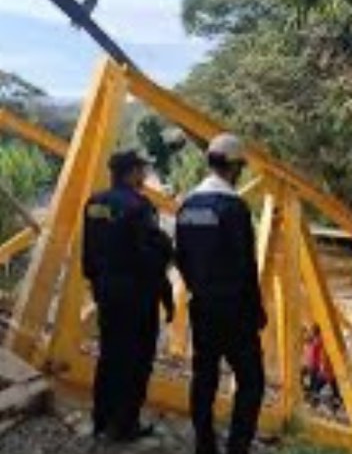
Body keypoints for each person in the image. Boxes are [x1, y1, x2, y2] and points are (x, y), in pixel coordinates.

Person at [176, 133, 265, 454]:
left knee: (204, 377)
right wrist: (257, 311)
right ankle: (237, 447)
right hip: (235, 312)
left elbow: (181, 257)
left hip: (202, 307)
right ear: (234, 167)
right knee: (252, 382)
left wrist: (200, 288)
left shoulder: (186, 206)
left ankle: (205, 445)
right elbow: (246, 265)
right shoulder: (234, 209)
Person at [83, 150, 174, 442]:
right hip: (136, 297)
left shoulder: (95, 203)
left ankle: (101, 420)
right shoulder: (139, 206)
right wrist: (166, 291)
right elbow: (149, 258)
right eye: (142, 170)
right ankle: (125, 425)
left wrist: (97, 285)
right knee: (136, 361)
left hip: (108, 293)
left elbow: (89, 254)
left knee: (110, 356)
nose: (145, 176)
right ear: (132, 173)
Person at [302, 324, 342, 410]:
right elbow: (307, 341)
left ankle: (315, 402)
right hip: (319, 368)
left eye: (312, 331)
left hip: (320, 369)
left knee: (316, 387)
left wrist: (322, 367)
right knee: (328, 388)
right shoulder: (315, 341)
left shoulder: (320, 342)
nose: (311, 333)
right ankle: (334, 403)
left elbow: (322, 357)